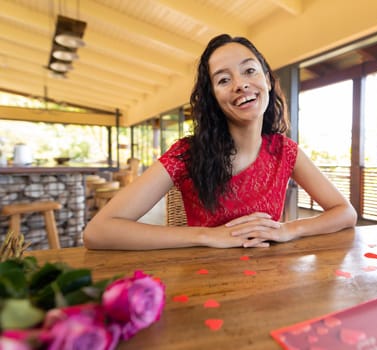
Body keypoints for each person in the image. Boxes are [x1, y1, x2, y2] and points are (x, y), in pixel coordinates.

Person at [82, 34, 357, 250]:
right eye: (224, 79)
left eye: (249, 71)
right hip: (205, 284)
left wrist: (288, 229)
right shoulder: (186, 154)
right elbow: (98, 232)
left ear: (268, 81)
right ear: (213, 97)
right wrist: (208, 236)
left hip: (269, 280)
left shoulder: (284, 151)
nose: (241, 84)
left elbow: (345, 213)